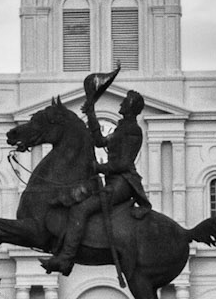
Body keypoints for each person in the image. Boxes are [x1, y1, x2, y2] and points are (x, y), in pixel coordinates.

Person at [42, 66, 151, 275]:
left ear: (131, 107)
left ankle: (66, 259)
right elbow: (100, 141)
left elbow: (123, 165)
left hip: (123, 183)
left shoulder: (133, 131)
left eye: (124, 101)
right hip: (112, 181)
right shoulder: (121, 129)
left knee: (81, 209)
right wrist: (91, 113)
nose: (121, 103)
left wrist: (98, 167)